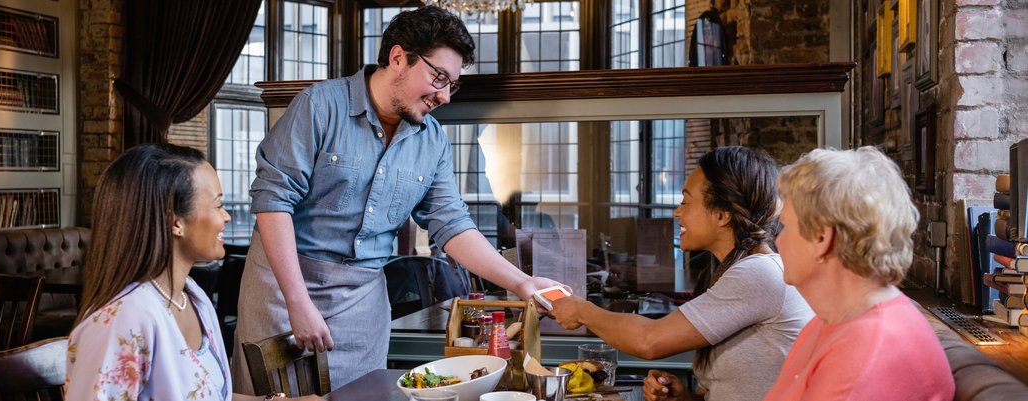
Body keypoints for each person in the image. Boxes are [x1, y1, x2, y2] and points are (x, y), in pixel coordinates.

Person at [234, 5, 566, 391]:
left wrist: (523, 282)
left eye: (452, 84)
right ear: (398, 57)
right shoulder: (319, 106)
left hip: (361, 303)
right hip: (283, 287)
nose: (444, 95)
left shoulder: (433, 139)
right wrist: (296, 300)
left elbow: (452, 224)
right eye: (438, 77)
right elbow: (273, 201)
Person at [551, 146, 813, 401]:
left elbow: (649, 341)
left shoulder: (758, 273)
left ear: (722, 214)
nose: (678, 212)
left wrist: (581, 310)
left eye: (686, 201)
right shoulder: (741, 270)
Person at [66, 144, 323, 401]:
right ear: (175, 221)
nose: (226, 217)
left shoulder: (193, 296)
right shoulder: (125, 319)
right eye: (218, 204)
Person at [763, 147, 954, 400]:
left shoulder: (867, 352)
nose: (778, 239)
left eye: (785, 225)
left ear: (821, 237)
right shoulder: (832, 319)